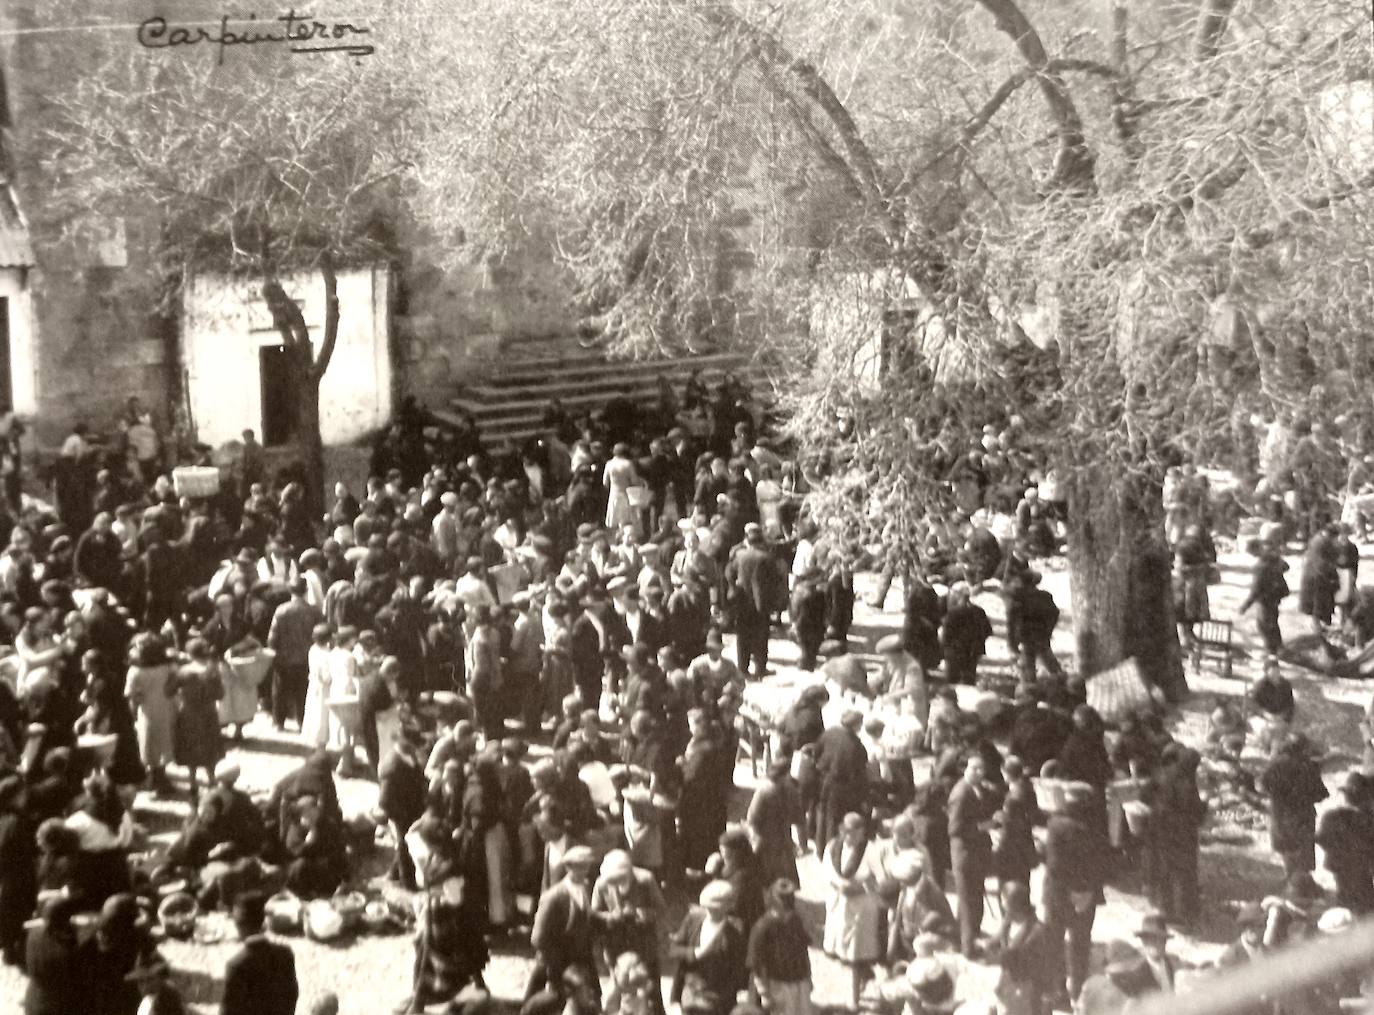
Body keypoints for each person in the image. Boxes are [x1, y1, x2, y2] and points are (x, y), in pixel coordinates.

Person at [591, 849, 667, 1013]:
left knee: (650, 992)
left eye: (619, 880)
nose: (616, 884)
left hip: (643, 946)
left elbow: (661, 909)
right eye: (613, 881)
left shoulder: (645, 879)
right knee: (619, 988)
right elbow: (594, 913)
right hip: (615, 946)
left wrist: (644, 914)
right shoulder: (601, 883)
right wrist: (610, 917)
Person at [821, 812, 884, 1011]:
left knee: (856, 953)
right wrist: (839, 886)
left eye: (856, 833)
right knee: (844, 952)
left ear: (863, 832)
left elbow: (881, 879)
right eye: (847, 832)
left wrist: (859, 888)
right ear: (842, 830)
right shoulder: (833, 847)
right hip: (839, 905)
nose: (851, 837)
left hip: (862, 909)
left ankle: (854, 999)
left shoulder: (871, 851)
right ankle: (865, 976)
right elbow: (827, 871)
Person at [528, 844, 600, 1005]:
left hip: (582, 958)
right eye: (580, 867)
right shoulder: (554, 897)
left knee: (589, 1001)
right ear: (568, 867)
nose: (584, 871)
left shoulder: (586, 888)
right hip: (557, 963)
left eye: (587, 866)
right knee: (552, 1003)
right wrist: (556, 963)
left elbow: (588, 918)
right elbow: (538, 938)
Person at [670, 879, 748, 1015]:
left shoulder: (736, 930)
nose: (711, 912)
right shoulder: (693, 919)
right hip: (691, 995)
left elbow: (740, 966)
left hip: (719, 999)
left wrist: (741, 992)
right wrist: (693, 953)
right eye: (708, 908)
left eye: (716, 909)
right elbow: (673, 950)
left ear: (728, 907)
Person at [947, 754, 998, 959]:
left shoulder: (979, 789)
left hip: (977, 853)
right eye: (974, 768)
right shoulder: (961, 793)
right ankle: (969, 949)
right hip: (965, 854)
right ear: (966, 769)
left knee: (974, 900)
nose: (978, 773)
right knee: (969, 902)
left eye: (981, 769)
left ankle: (967, 939)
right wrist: (981, 827)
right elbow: (954, 829)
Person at [1259, 733, 1329, 875]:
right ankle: (1302, 883)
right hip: (1304, 814)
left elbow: (1262, 786)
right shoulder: (1309, 766)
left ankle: (1290, 879)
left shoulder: (1275, 765)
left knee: (1286, 848)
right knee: (1302, 853)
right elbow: (1322, 794)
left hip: (1281, 813)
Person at [220, 890, 298, 1015]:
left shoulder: (236, 965)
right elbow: (291, 996)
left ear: (238, 925)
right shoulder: (285, 953)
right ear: (263, 922)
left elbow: (228, 1012)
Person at [169, 638, 225, 805]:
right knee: (210, 745)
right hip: (208, 712)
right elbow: (220, 694)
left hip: (188, 713)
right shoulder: (211, 672)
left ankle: (193, 783)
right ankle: (212, 781)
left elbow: (168, 691)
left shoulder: (182, 672)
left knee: (189, 746)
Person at [747, 878, 813, 1015]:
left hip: (798, 982)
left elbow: (803, 950)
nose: (787, 914)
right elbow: (757, 965)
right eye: (783, 909)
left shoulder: (795, 921)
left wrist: (808, 977)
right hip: (774, 985)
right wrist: (765, 994)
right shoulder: (762, 928)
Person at [1315, 770, 1374, 914]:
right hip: (1362, 867)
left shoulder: (1330, 816)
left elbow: (1321, 839)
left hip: (1338, 865)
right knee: (1366, 901)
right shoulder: (1368, 819)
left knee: (1344, 898)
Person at [992, 881, 1051, 1015]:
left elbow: (1039, 968)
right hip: (1009, 984)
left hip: (1027, 989)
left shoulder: (1037, 931)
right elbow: (998, 939)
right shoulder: (1008, 921)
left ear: (1013, 905)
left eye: (1003, 900)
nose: (1001, 904)